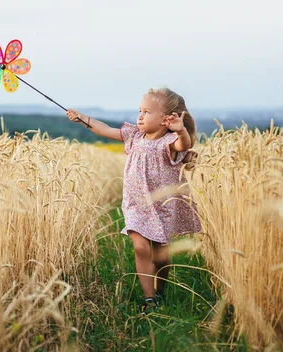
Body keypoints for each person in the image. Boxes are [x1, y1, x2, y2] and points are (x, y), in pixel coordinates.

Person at [67, 87, 202, 314]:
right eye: (140, 110)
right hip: (136, 205)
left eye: (147, 112)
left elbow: (184, 146)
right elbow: (105, 129)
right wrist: (82, 118)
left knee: (161, 257)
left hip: (162, 207)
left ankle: (160, 290)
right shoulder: (134, 136)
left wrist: (180, 131)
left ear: (165, 119)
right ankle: (150, 299)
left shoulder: (169, 141)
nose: (140, 115)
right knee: (141, 249)